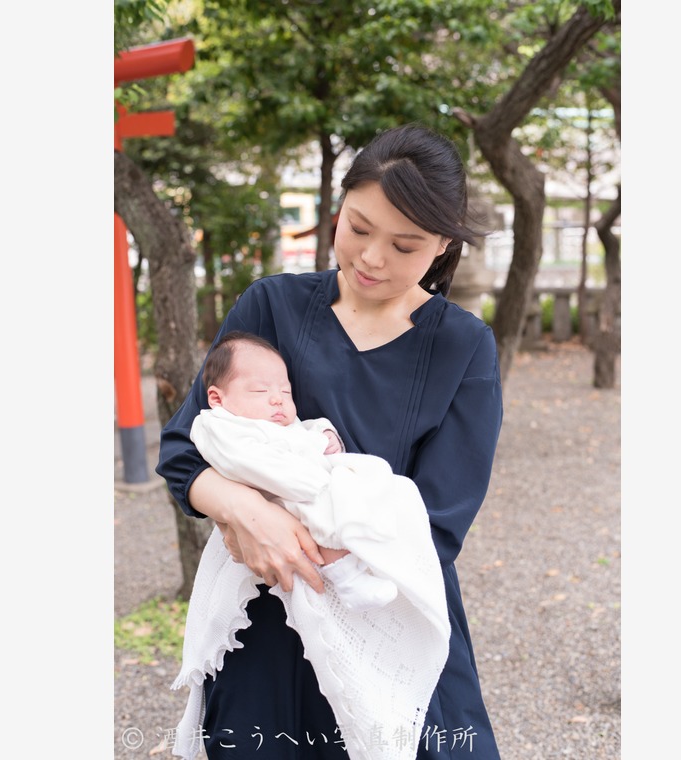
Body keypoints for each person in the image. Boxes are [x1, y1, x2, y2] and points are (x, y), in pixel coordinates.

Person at [157, 122, 504, 760]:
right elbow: (184, 447)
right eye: (359, 227)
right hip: (266, 616)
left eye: (405, 245)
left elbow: (440, 523)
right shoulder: (273, 306)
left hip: (384, 609)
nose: (372, 258)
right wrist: (250, 512)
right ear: (337, 210)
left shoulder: (463, 346)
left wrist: (322, 550)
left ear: (442, 246)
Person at [193, 329, 425, 612]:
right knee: (319, 515)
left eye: (285, 391)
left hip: (308, 479)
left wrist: (322, 432)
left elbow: (302, 429)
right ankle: (348, 578)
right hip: (281, 496)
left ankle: (378, 546)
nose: (277, 399)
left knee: (371, 478)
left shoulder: (270, 421)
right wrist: (312, 483)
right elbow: (250, 463)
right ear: (218, 399)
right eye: (260, 391)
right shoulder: (221, 427)